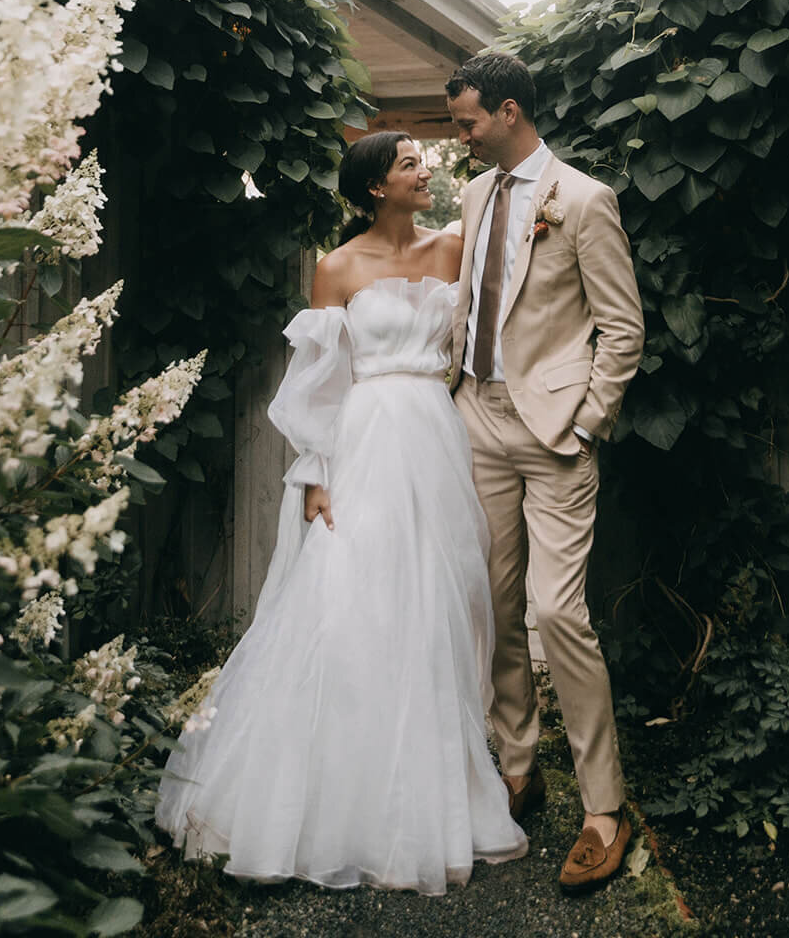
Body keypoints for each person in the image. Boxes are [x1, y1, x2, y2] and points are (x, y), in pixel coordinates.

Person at [156, 129, 527, 894]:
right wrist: (316, 472)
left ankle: (432, 791)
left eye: (425, 161)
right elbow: (319, 379)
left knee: (440, 600)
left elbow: (512, 274)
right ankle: (333, 793)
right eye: (408, 164)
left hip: (437, 435)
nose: (425, 170)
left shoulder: (455, 246)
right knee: (353, 599)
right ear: (372, 187)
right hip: (366, 441)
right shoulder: (337, 266)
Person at [446, 52, 645, 892]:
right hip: (475, 417)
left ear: (510, 111)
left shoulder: (584, 200)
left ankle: (605, 806)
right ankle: (517, 770)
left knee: (555, 611)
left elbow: (621, 328)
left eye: (466, 123)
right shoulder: (473, 193)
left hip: (556, 430)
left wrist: (588, 422)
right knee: (490, 606)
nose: (458, 139)